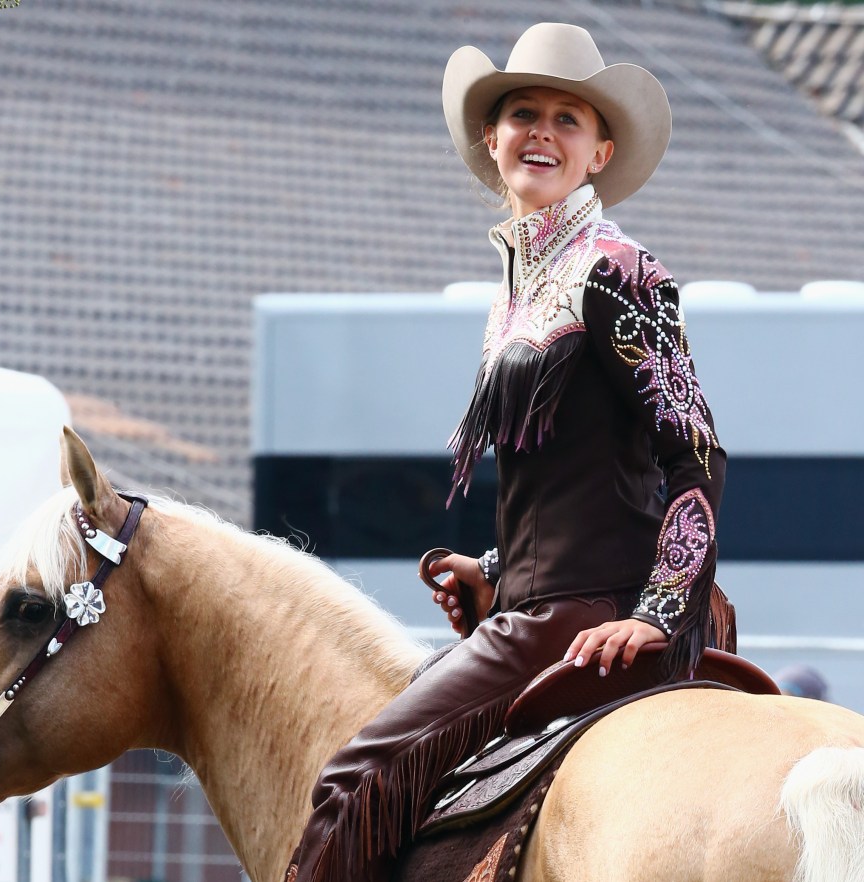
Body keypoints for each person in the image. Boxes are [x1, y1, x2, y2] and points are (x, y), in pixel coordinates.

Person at [285, 22, 729, 882]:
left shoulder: (617, 270)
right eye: (523, 112)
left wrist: (655, 612)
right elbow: (579, 479)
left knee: (351, 779)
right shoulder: (518, 289)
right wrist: (494, 569)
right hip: (538, 601)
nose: (542, 132)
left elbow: (696, 456)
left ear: (599, 152)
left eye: (569, 120)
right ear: (492, 141)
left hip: (589, 615)